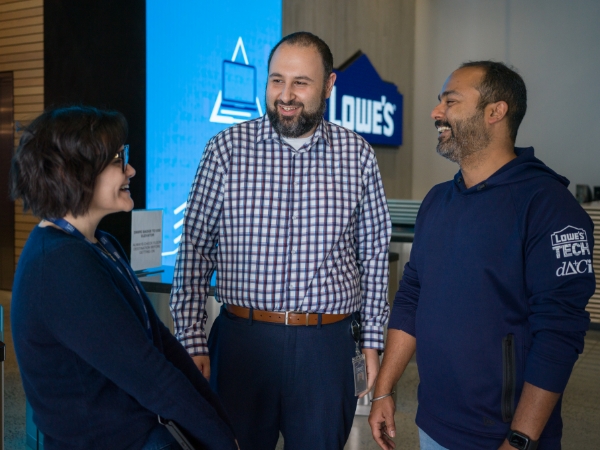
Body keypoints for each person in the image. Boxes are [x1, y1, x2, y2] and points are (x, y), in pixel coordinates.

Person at [171, 31, 391, 449]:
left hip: (324, 349)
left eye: (300, 83)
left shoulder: (357, 155)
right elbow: (195, 250)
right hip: (241, 343)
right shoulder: (226, 150)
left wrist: (372, 345)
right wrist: (192, 338)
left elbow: (375, 255)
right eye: (276, 81)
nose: (285, 95)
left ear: (328, 85)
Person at [368, 61, 595, 450]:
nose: (436, 113)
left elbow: (559, 334)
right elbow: (410, 298)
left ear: (495, 111)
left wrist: (520, 439)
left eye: (450, 102)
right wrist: (383, 390)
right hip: (433, 424)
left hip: (503, 436)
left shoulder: (549, 206)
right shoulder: (437, 201)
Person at [10, 106, 238, 450]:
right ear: (77, 173)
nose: (130, 169)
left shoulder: (100, 244)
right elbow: (150, 376)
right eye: (118, 160)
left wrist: (220, 423)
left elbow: (160, 344)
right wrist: (222, 440)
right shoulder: (59, 266)